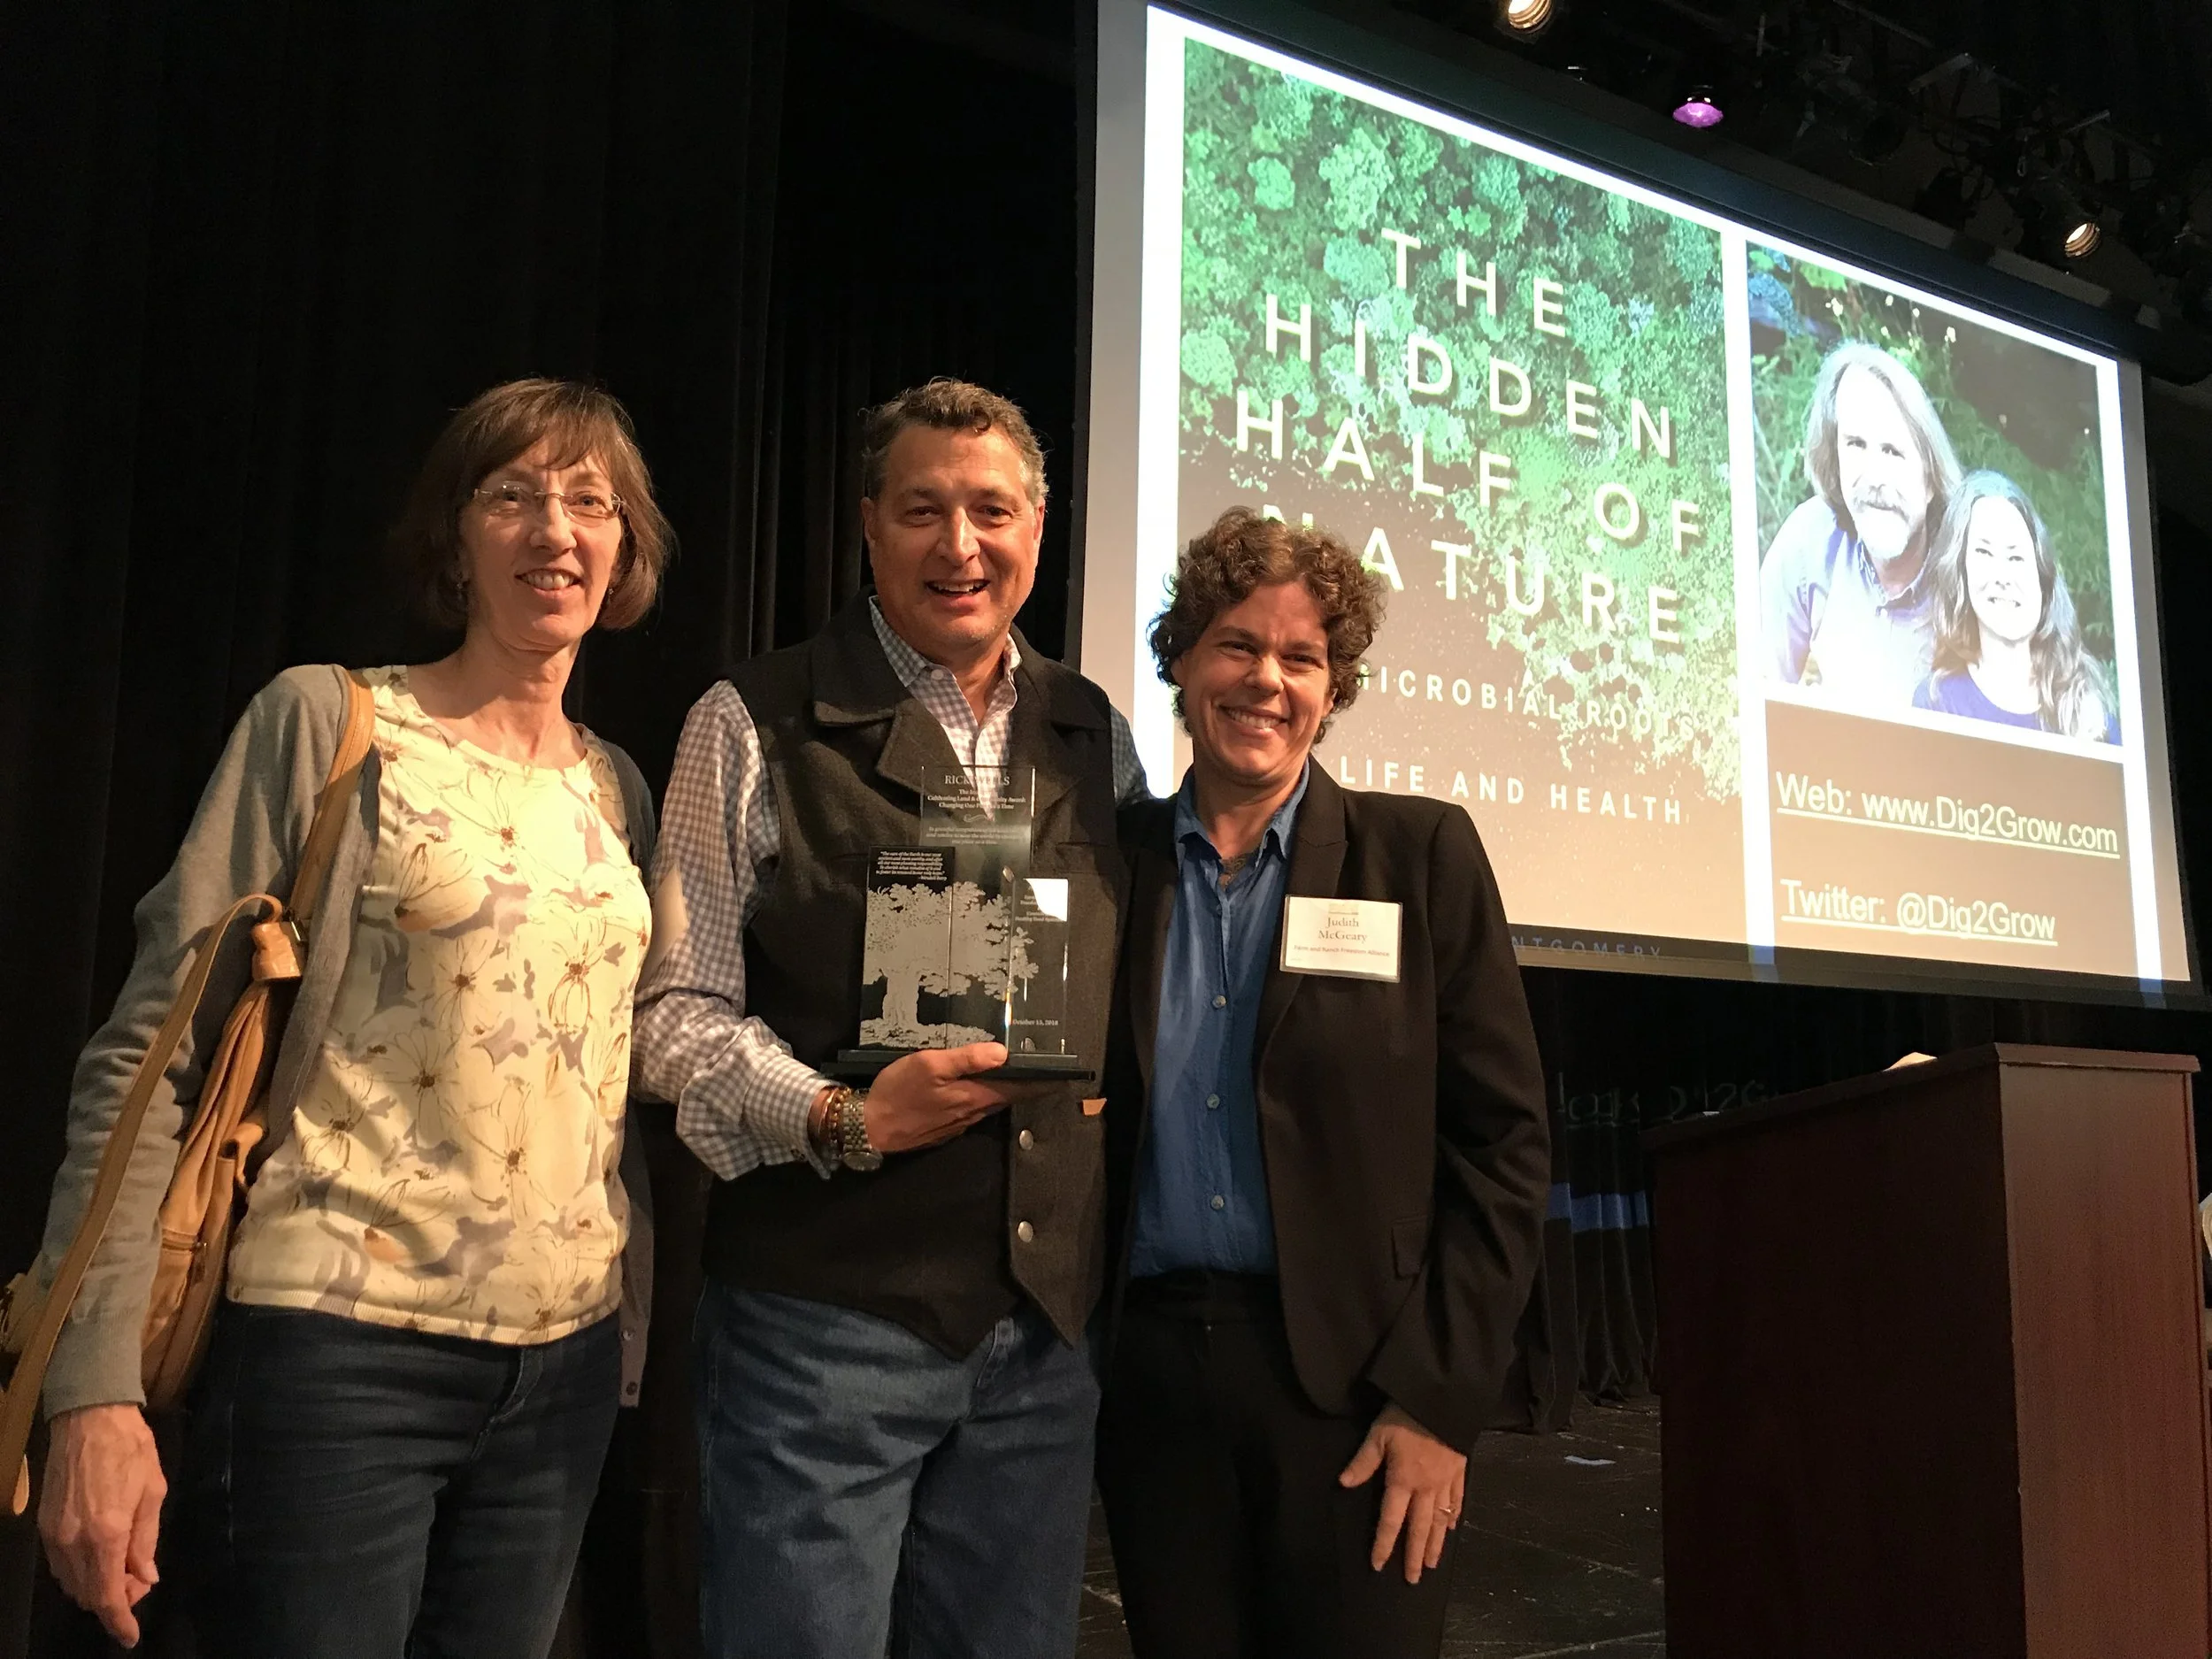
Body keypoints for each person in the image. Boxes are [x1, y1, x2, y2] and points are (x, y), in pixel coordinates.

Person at [29, 378, 671, 1658]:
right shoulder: (333, 721)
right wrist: (88, 1383)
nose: (557, 528)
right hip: (337, 1359)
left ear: (625, 547)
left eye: (590, 500)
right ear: (454, 539)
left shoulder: (619, 785)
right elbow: (151, 1051)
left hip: (560, 1374)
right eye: (515, 496)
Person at [633, 378, 1150, 1659]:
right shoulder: (751, 720)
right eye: (923, 508)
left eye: (991, 509)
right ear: (868, 526)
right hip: (820, 1331)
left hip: (1039, 1340)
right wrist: (841, 1113)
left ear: (1040, 525)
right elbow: (671, 1012)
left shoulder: (1095, 734)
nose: (959, 544)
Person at [1094, 507, 1551, 1659]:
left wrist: (1438, 1400)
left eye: (1303, 657)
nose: (1267, 678)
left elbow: (1503, 1147)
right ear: (1181, 659)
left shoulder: (1421, 856)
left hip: (1358, 1390)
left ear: (1335, 685)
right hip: (1150, 1385)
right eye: (1237, 644)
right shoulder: (1111, 862)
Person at [1761, 341, 1964, 705]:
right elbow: (1758, 692)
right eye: (1856, 444)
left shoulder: (1967, 569)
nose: (1874, 476)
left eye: (1892, 451)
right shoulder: (1810, 539)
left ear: (1930, 480)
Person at [1913, 470, 2118, 742]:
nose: (2003, 577)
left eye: (2016, 557)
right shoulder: (1938, 701)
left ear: (2042, 576)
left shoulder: (2086, 707)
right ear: (1960, 571)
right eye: (1984, 553)